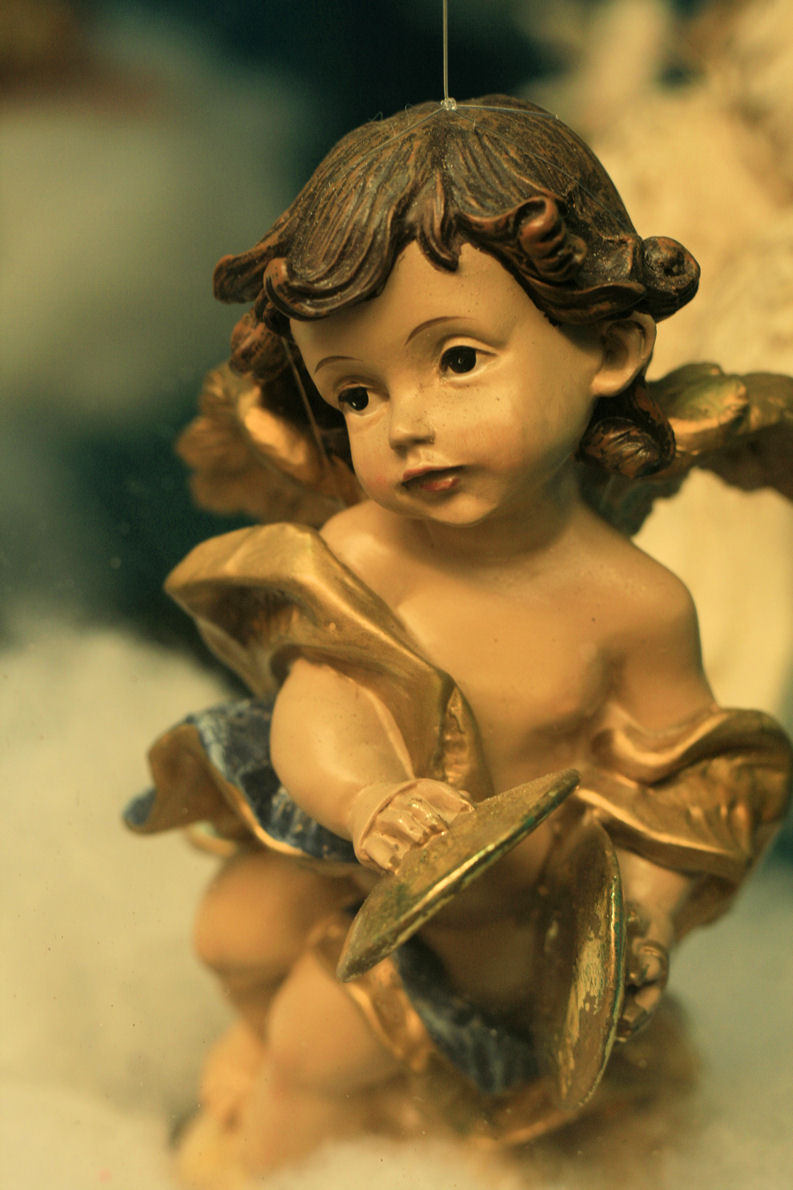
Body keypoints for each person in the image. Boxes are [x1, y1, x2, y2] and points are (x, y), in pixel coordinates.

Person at [127, 97, 791, 1177]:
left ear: (609, 346)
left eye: (459, 359)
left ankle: (259, 1159)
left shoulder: (634, 605)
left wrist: (640, 920)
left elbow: (688, 787)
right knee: (234, 932)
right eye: (355, 393)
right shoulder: (367, 550)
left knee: (322, 1040)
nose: (406, 423)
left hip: (497, 913)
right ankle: (255, 1048)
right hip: (351, 839)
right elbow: (321, 702)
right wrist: (368, 798)